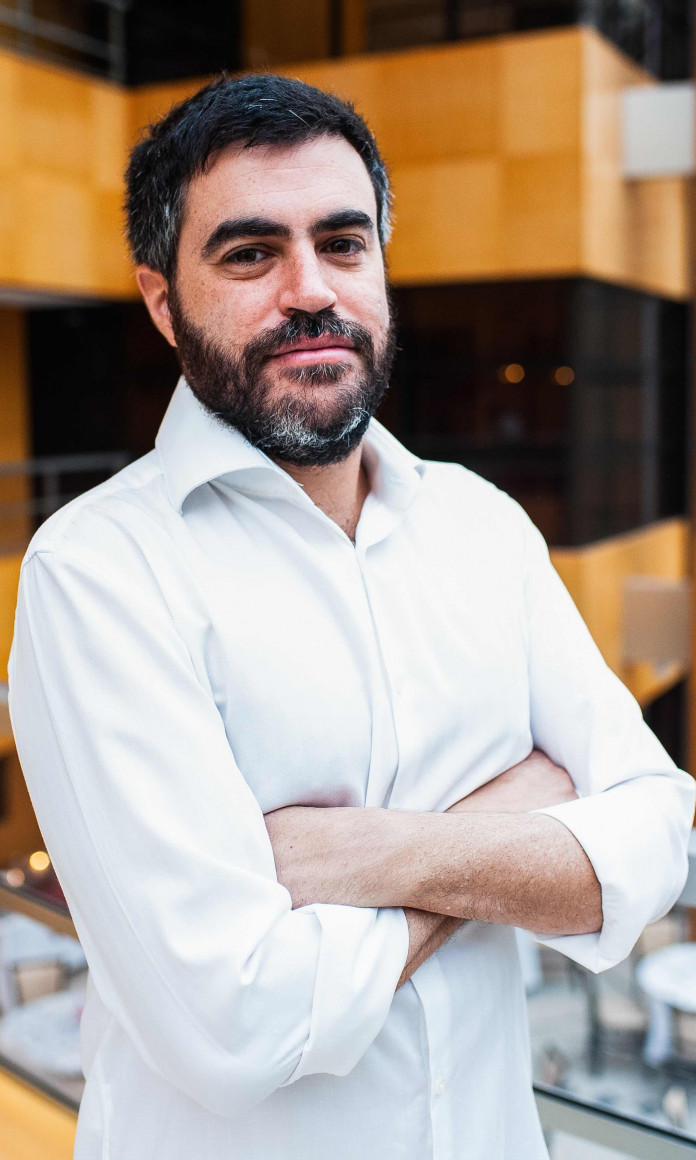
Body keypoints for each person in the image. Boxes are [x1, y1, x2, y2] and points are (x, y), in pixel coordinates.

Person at [8, 73, 694, 1160]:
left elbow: (656, 828)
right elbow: (236, 1020)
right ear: (160, 299)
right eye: (249, 254)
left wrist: (361, 853)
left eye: (343, 242)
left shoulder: (484, 525)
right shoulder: (97, 572)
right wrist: (514, 824)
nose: (310, 289)